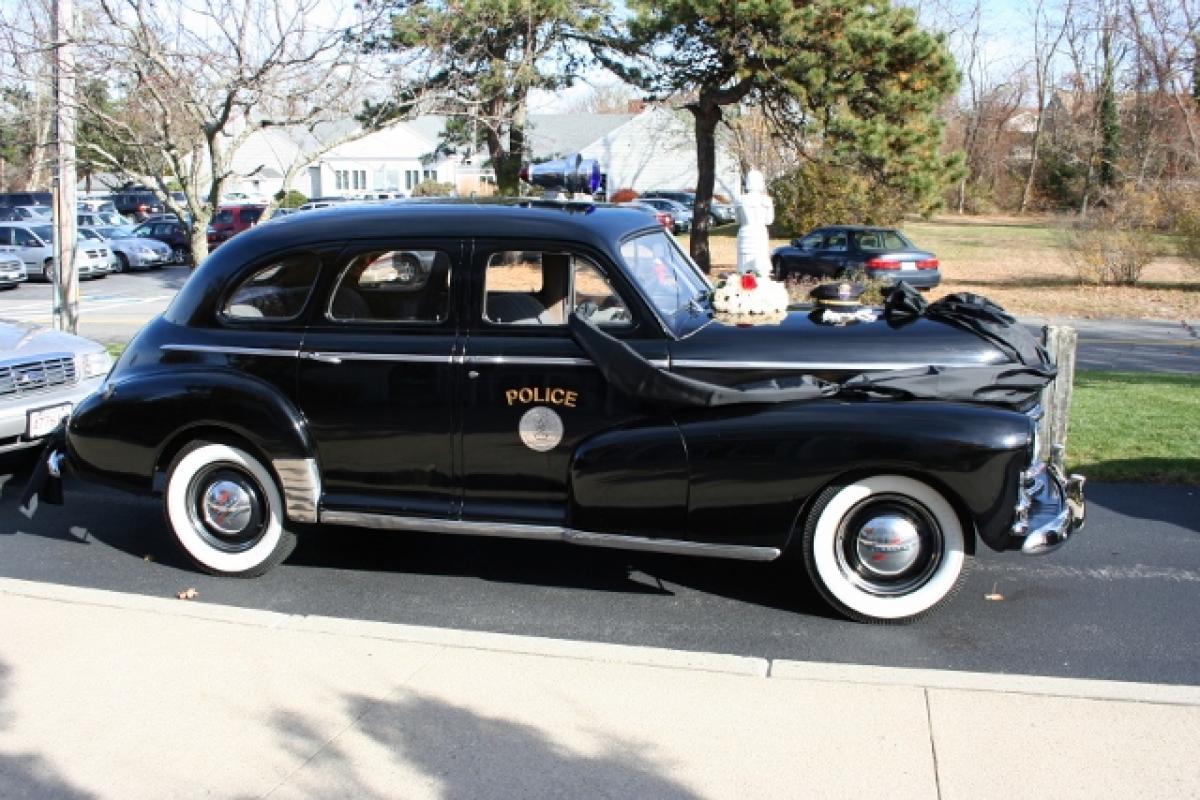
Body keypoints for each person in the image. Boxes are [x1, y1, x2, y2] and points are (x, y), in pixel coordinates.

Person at [735, 170, 773, 276]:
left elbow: (737, 220)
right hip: (760, 234)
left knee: (743, 269)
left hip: (745, 234)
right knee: (761, 267)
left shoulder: (740, 200)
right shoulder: (767, 200)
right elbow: (769, 220)